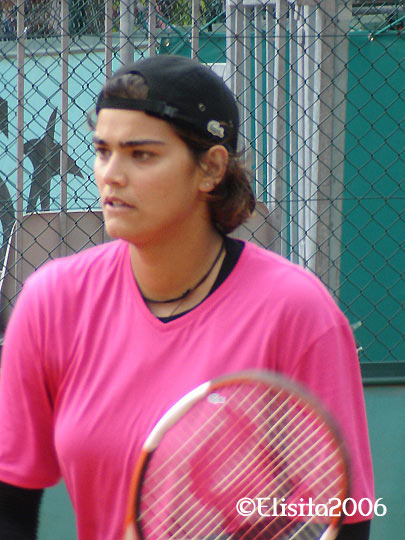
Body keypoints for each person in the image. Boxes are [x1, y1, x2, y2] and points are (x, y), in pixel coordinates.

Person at [0, 55, 373, 539]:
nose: (111, 174)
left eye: (142, 154)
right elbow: (8, 507)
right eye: (103, 150)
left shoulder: (298, 312)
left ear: (210, 169)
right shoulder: (51, 302)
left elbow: (346, 523)